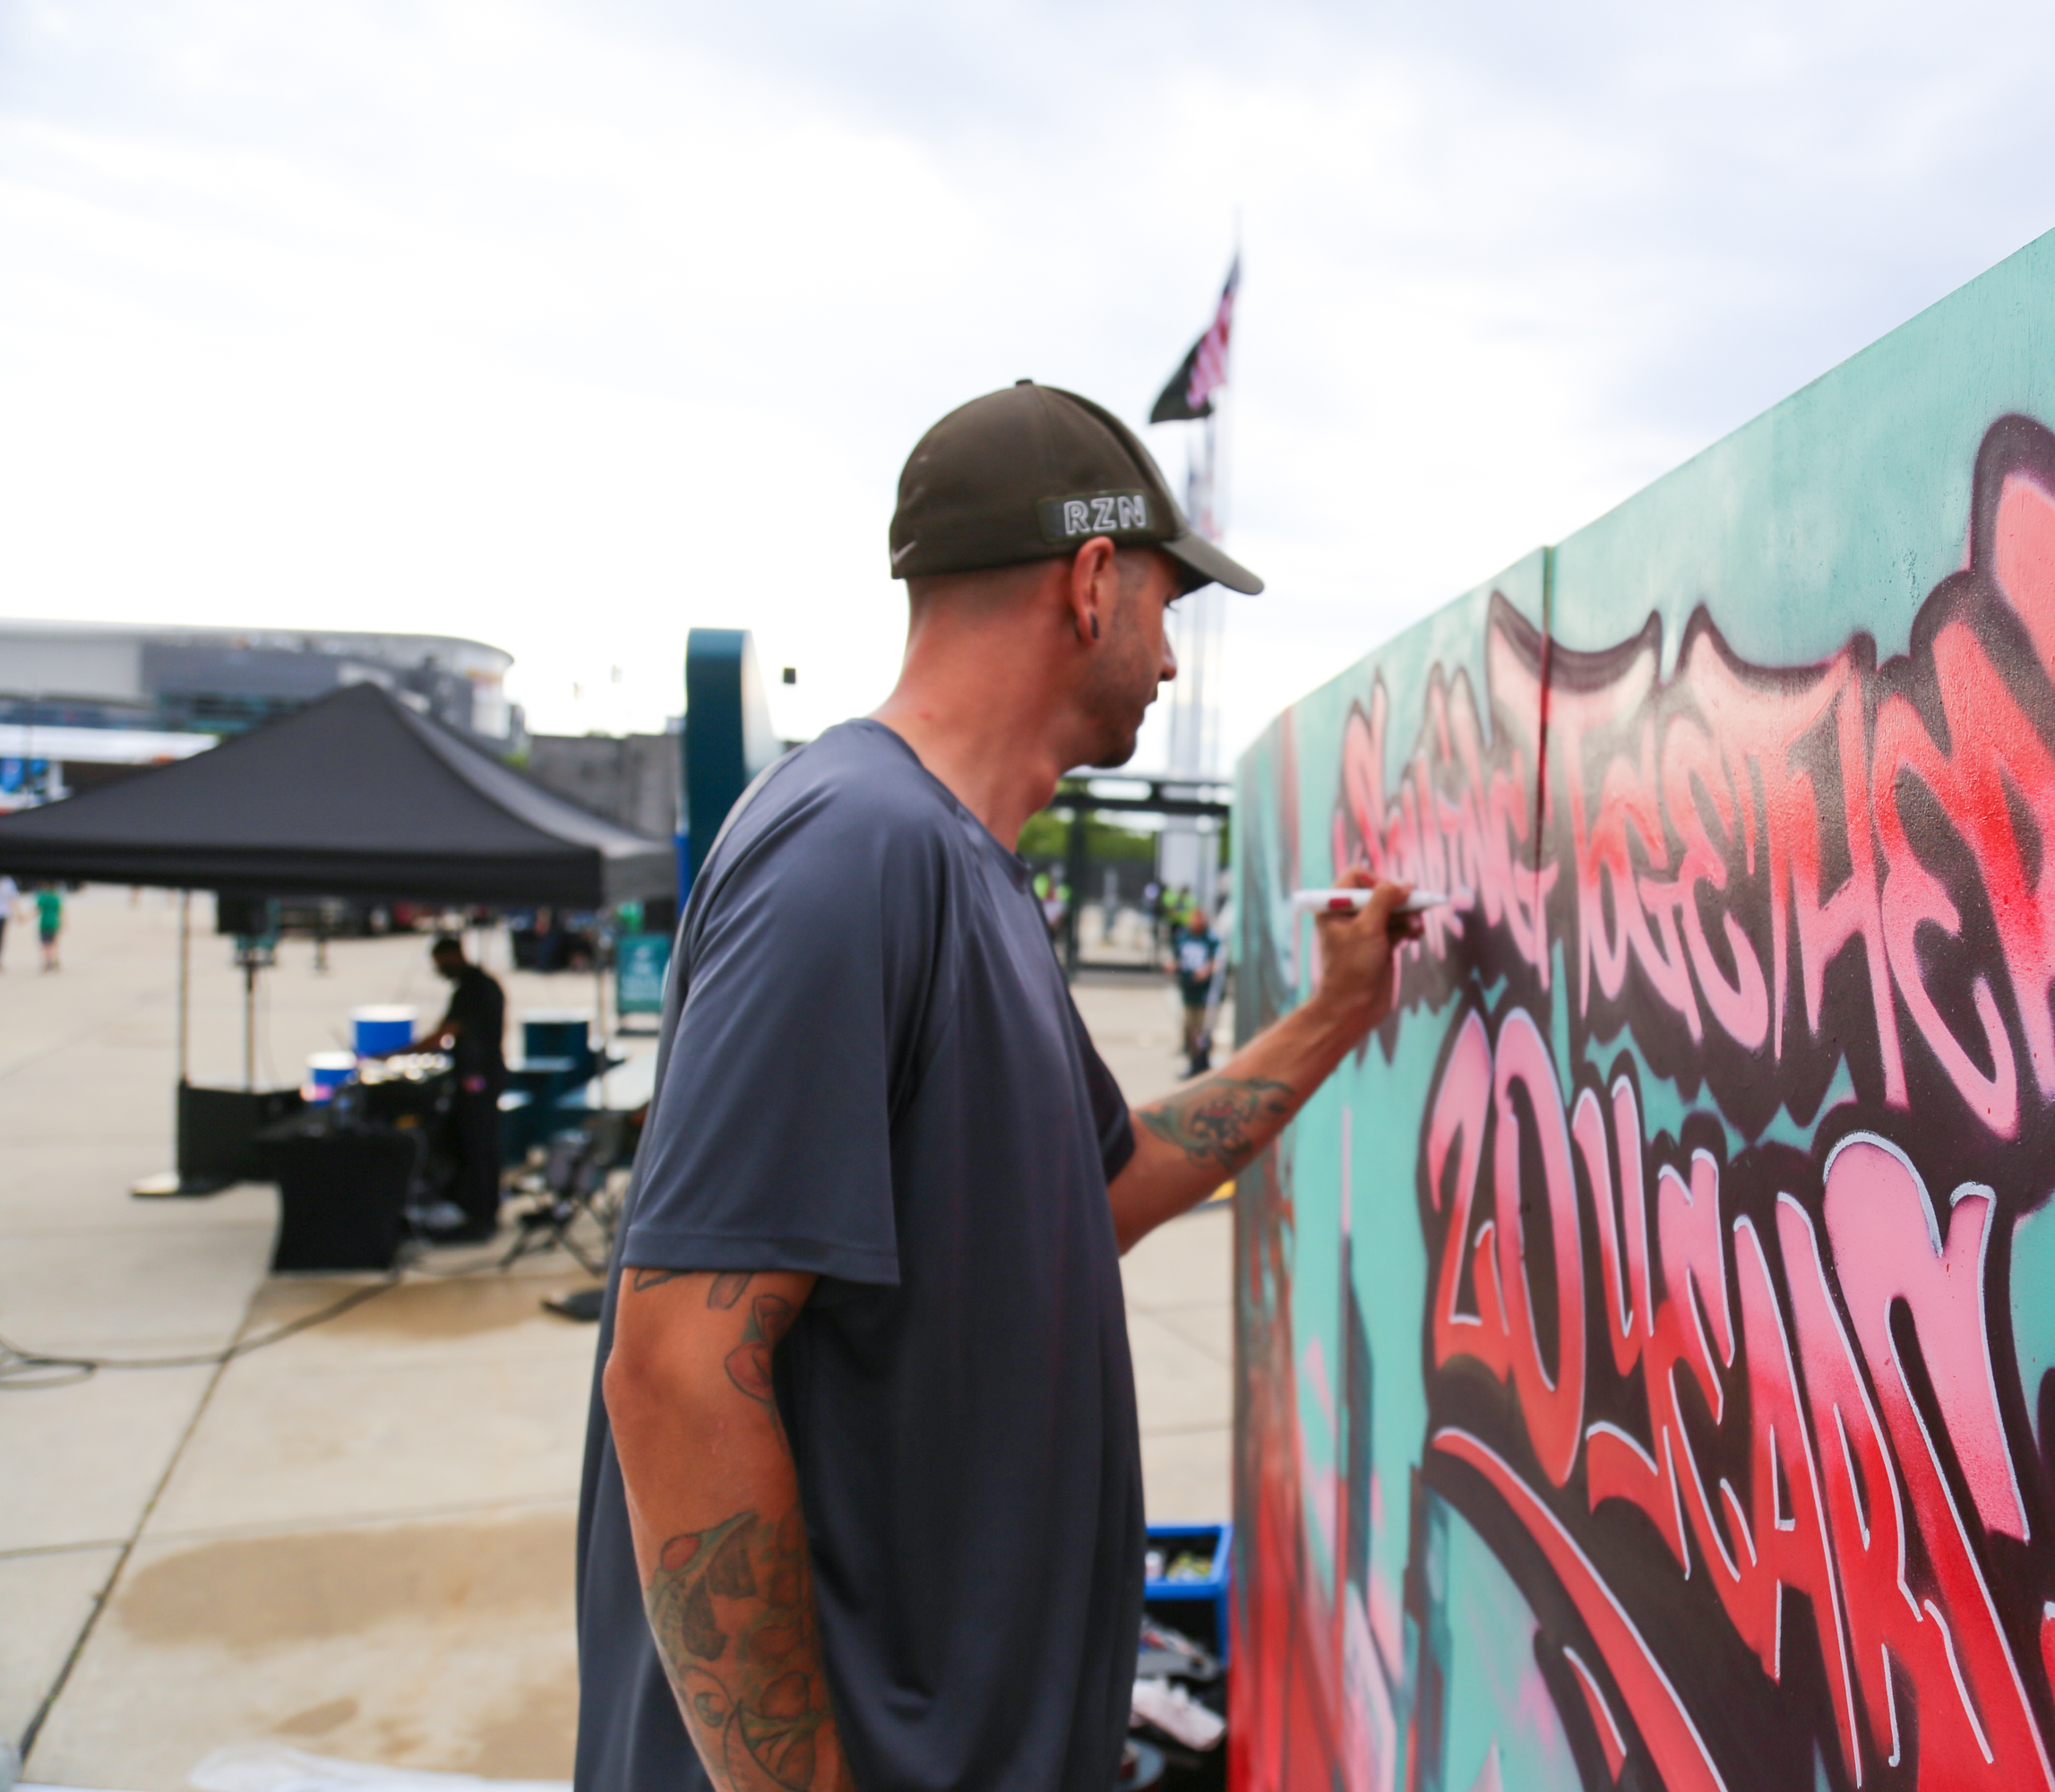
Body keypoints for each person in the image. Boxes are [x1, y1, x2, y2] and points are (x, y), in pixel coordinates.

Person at [575, 380, 1419, 1792]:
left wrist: (1335, 1015)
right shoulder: (855, 850)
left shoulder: (963, 873)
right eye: (1165, 604)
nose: (1169, 657)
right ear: (1091, 583)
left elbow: (1104, 1186)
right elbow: (675, 1374)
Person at [407, 935, 508, 1243]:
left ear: (451, 956)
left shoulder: (473, 989)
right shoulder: (480, 985)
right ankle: (479, 1210)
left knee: (478, 1146)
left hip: (478, 1078)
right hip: (483, 1075)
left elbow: (446, 1032)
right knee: (478, 1146)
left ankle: (481, 1216)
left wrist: (401, 1052)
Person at [1174, 906, 1221, 1073]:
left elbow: (1218, 961)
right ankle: (1194, 1061)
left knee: (1203, 1029)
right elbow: (1179, 959)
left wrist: (1206, 970)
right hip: (1189, 992)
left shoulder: (1211, 939)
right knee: (1190, 1028)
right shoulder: (1183, 937)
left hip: (1205, 994)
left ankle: (1203, 1060)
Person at [34, 883, 62, 972]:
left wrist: (24, 919)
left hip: (44, 923)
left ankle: (47, 962)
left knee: (45, 944)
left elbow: (36, 910)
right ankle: (55, 960)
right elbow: (61, 911)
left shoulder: (42, 898)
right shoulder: (55, 898)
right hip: (54, 922)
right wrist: (63, 923)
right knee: (54, 943)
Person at [0, 874, 16, 970]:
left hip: (4, 914)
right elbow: (13, 899)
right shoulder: (8, 883)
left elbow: (12, 899)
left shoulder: (8, 882)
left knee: (1, 938)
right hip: (4, 914)